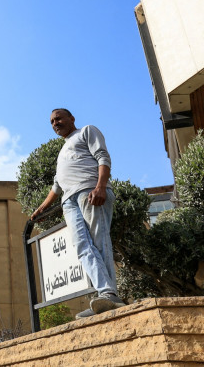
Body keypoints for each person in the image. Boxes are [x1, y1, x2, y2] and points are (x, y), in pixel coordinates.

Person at [31, 108, 124, 319]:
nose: (55, 123)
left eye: (58, 118)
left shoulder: (87, 131)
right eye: (52, 121)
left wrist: (100, 187)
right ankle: (105, 293)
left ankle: (110, 294)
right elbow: (57, 186)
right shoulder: (62, 151)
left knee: (100, 241)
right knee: (82, 246)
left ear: (71, 118)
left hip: (90, 191)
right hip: (68, 201)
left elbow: (103, 157)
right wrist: (41, 209)